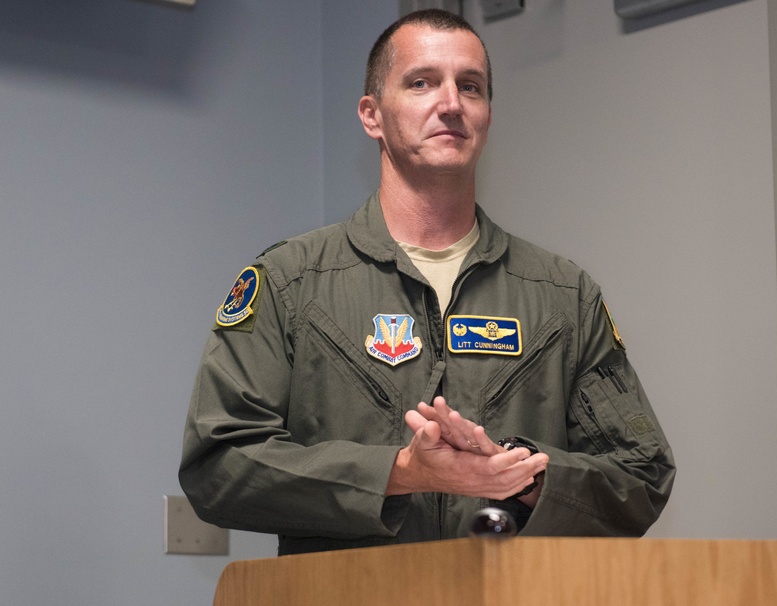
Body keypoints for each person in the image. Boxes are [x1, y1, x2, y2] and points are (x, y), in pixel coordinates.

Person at [179, 9, 675, 556]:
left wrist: (524, 473)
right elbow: (218, 464)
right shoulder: (291, 283)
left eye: (471, 86)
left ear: (487, 115)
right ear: (372, 115)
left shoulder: (562, 294)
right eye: (422, 83)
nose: (451, 103)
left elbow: (642, 473)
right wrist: (399, 472)